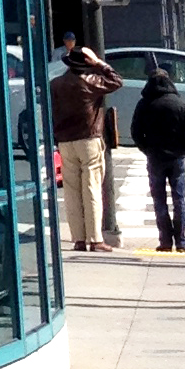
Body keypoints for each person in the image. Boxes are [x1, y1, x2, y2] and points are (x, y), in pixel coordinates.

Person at [51, 37, 122, 254]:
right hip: (88, 139)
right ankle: (95, 238)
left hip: (65, 140)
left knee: (71, 191)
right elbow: (117, 80)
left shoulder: (56, 84)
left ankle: (79, 239)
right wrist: (98, 62)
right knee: (91, 188)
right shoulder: (90, 81)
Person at [129, 62, 185, 251]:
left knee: (159, 200)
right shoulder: (179, 103)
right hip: (176, 157)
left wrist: (147, 149)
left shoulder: (144, 104)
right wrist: (184, 150)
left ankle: (165, 241)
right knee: (179, 199)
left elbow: (136, 132)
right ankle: (181, 241)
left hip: (155, 157)